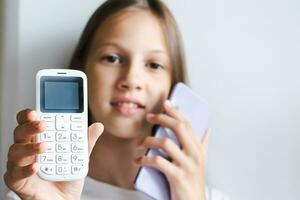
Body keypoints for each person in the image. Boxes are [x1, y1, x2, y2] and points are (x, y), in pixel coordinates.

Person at [4, 0, 230, 199]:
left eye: (154, 65)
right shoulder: (32, 194)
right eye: (112, 58)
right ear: (82, 70)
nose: (131, 80)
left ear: (174, 84)